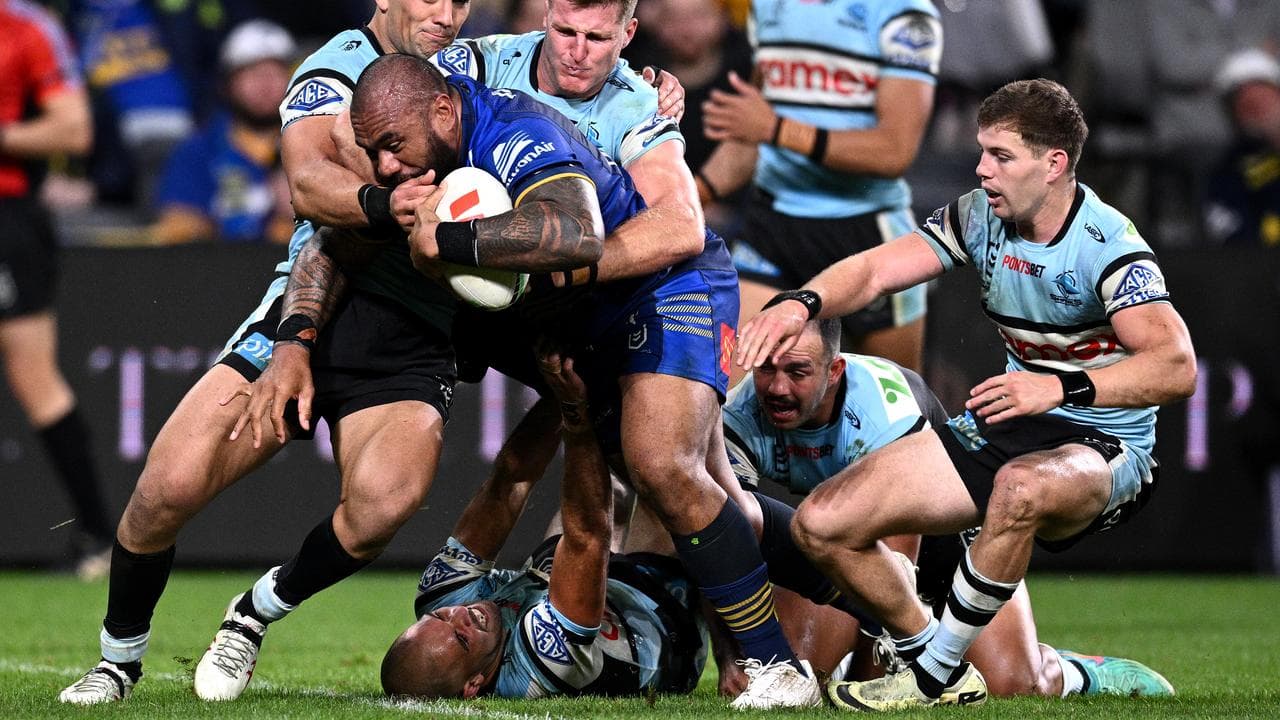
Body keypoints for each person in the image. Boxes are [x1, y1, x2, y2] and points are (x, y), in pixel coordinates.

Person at [246, 50, 822, 710]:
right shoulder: (426, 164)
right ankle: (831, 611)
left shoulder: (516, 134)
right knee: (696, 486)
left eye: (391, 145)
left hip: (659, 285)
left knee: (663, 464)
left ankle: (778, 662)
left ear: (440, 110)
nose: (383, 166)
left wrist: (453, 243)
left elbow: (576, 233)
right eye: (372, 151)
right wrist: (298, 337)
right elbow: (334, 241)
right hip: (584, 322)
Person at [56, 0, 475, 706]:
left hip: (414, 331)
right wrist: (386, 206)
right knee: (166, 491)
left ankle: (254, 613)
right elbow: (308, 182)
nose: (447, 12)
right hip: (312, 310)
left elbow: (562, 67)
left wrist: (643, 88)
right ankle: (118, 659)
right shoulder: (333, 67)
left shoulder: (477, 70)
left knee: (385, 503)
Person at [737, 78, 1197, 711]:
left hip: (1106, 442)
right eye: (982, 153)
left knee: (1020, 487)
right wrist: (801, 301)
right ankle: (964, 660)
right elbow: (875, 269)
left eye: (1001, 156)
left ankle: (931, 677)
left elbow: (1176, 367)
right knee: (821, 526)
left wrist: (1060, 386)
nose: (981, 170)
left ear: (1054, 163)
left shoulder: (1109, 248)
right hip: (1010, 424)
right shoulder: (977, 216)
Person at [725, 317, 1174, 699]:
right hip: (843, 556)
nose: (778, 387)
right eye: (766, 369)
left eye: (798, 372)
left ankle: (1076, 671)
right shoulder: (740, 414)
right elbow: (723, 532)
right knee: (789, 679)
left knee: (1011, 684)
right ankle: (851, 663)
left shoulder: (884, 403)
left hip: (946, 548)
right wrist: (732, 655)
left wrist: (903, 655)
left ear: (835, 369)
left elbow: (900, 541)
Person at [382, 343, 708, 699]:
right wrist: (576, 413)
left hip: (571, 584)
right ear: (473, 685)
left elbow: (508, 482)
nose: (463, 614)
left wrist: (558, 385)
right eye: (461, 637)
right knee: (669, 476)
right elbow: (588, 534)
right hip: (662, 614)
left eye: (441, 616)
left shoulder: (441, 595)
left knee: (614, 490)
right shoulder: (541, 660)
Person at [698, 0, 941, 376]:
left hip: (865, 232)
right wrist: (691, 197)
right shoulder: (765, 6)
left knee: (891, 405)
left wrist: (779, 130)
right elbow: (751, 133)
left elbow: (894, 150)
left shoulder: (904, 14)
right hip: (772, 227)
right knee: (734, 393)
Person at [0, 0, 112, 580]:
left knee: (33, 375)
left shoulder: (25, 30)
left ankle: (97, 536)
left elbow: (75, 127)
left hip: (6, 214)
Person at [149, 20, 298, 245]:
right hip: (219, 271)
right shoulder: (199, 150)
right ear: (227, 83)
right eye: (252, 73)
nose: (265, 85)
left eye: (275, 73)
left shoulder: (312, 143)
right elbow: (176, 228)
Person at [1204, 47, 1280, 247]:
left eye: (1263, 96)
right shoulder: (1229, 171)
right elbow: (1236, 241)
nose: (1255, 107)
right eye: (1243, 101)